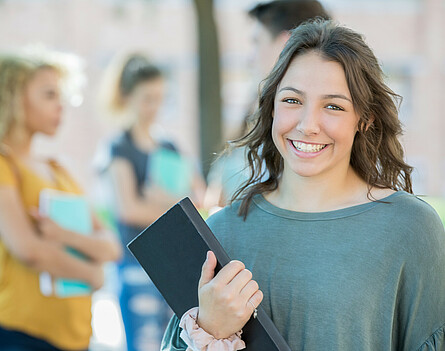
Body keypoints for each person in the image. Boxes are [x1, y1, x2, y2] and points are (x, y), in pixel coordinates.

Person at [161, 19, 445, 351]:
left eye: (334, 106)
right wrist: (209, 329)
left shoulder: (411, 229)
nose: (307, 125)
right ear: (271, 108)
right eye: (292, 100)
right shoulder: (222, 233)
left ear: (364, 119)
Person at [0, 52, 122, 351]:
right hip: (22, 333)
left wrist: (62, 235)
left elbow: (111, 245)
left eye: (61, 94)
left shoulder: (61, 170)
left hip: (76, 334)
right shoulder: (5, 164)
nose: (60, 105)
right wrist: (91, 274)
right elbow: (29, 250)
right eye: (49, 94)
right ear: (14, 98)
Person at [99, 53, 206, 351]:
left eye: (159, 98)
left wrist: (160, 199)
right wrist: (173, 205)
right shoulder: (118, 147)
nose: (154, 107)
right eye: (147, 98)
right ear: (127, 97)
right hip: (135, 268)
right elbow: (129, 209)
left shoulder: (170, 146)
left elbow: (197, 202)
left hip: (172, 268)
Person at [204, 0, 330, 210]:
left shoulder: (300, 135)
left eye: (256, 42)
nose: (251, 58)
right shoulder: (255, 112)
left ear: (285, 43)